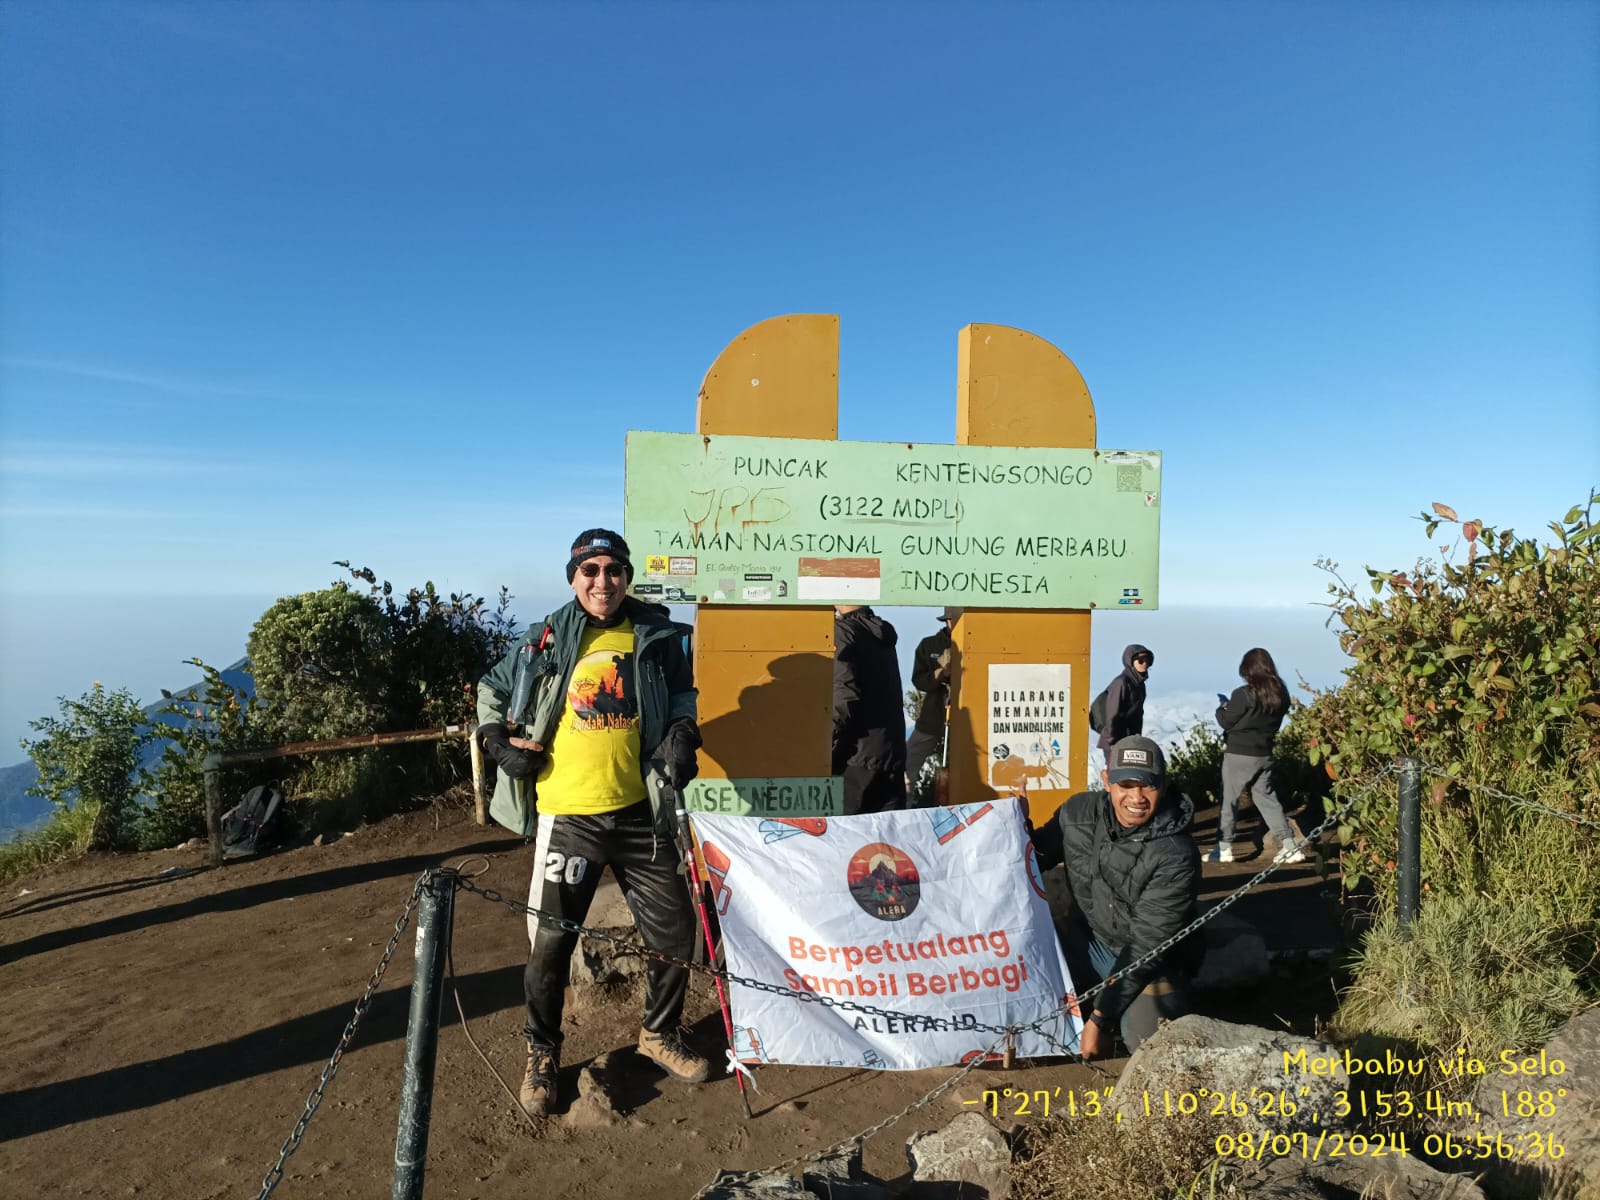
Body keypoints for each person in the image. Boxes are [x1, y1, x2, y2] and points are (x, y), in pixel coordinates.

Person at [476, 529, 708, 1118]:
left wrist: (683, 733)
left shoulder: (654, 632)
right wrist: (494, 738)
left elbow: (683, 697)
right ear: (573, 576)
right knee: (551, 944)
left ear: (626, 575)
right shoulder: (545, 638)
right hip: (569, 814)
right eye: (591, 571)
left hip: (639, 811)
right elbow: (490, 689)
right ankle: (542, 1054)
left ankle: (658, 1034)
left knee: (676, 932)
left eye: (613, 570)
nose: (603, 582)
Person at [1031, 735, 1201, 1058]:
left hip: (1149, 959)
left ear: (1163, 786)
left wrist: (1100, 1018)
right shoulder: (1077, 813)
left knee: (1149, 1042)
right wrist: (1016, 822)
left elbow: (1147, 946)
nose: (1136, 797)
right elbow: (1034, 856)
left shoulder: (1177, 854)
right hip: (1088, 940)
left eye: (1147, 786)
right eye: (1126, 784)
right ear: (1107, 781)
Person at [1212, 647, 1301, 864]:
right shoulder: (1281, 695)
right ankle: (1290, 845)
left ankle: (1223, 848)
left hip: (1238, 754)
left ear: (1248, 670)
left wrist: (1222, 708)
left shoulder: (1243, 694)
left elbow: (1227, 721)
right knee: (1267, 800)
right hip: (1265, 754)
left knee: (1229, 801)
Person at [832, 604, 907, 814]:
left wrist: (827, 752)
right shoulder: (881, 635)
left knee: (843, 842)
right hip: (891, 756)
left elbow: (843, 697)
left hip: (855, 760)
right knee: (886, 843)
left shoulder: (844, 633)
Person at [907, 608, 959, 805]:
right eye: (952, 620)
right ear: (946, 621)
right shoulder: (929, 645)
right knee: (909, 761)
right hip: (933, 717)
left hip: (967, 721)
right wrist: (940, 673)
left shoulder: (979, 642)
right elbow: (919, 681)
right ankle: (904, 805)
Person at [1096, 644, 1154, 755]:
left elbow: (1138, 714)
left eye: (1147, 659)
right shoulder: (1121, 683)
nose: (1144, 663)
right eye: (1140, 660)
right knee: (1112, 772)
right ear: (1130, 662)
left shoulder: (1139, 685)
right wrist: (1111, 741)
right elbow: (1112, 714)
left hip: (1129, 740)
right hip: (1114, 741)